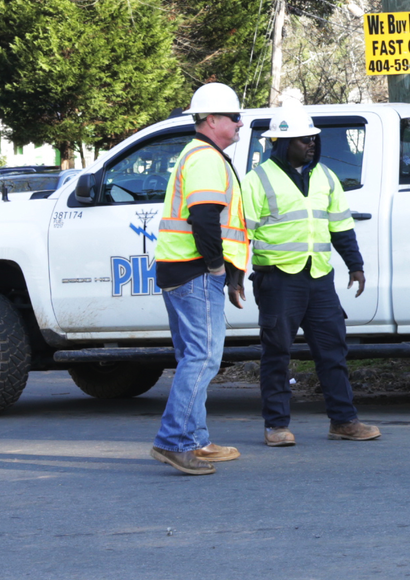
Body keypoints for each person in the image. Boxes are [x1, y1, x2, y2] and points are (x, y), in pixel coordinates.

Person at [242, 111, 380, 446]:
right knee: (276, 354)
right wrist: (233, 277)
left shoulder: (326, 177)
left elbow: (341, 227)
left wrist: (355, 265)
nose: (312, 145)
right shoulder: (257, 180)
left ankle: (344, 421)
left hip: (318, 277)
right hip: (277, 278)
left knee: (333, 351)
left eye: (314, 139)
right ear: (284, 143)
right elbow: (239, 233)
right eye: (305, 140)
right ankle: (276, 426)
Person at [150, 82, 251, 476]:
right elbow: (204, 217)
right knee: (202, 356)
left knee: (193, 356)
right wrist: (216, 267)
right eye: (234, 116)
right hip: (194, 271)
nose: (241, 123)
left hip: (182, 270)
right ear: (211, 120)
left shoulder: (199, 154)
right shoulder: (206, 158)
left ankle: (195, 440)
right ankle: (175, 442)